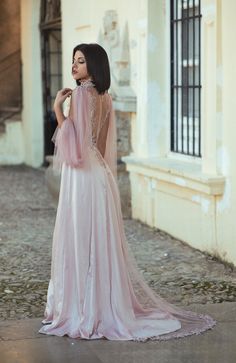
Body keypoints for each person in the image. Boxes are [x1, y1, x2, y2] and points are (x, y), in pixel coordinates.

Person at [39, 43, 216, 341]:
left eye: (80, 61)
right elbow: (100, 144)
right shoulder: (106, 97)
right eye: (73, 61)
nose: (74, 66)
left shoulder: (81, 94)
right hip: (100, 178)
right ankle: (102, 306)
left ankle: (83, 310)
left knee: (80, 240)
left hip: (81, 178)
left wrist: (58, 109)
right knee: (99, 243)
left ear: (94, 66)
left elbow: (74, 148)